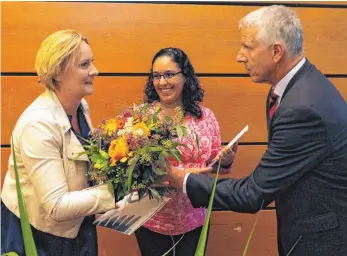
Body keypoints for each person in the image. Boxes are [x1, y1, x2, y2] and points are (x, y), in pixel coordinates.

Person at [165, 5, 347, 256]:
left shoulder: (302, 107)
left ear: (276, 52)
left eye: (248, 47)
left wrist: (180, 178)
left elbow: (253, 194)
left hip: (322, 242)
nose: (240, 56)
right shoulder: (293, 88)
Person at [1, 30, 116, 256]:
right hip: (38, 233)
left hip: (76, 223)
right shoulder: (38, 125)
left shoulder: (80, 107)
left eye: (92, 62)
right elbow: (55, 206)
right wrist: (117, 193)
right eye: (85, 64)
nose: (95, 70)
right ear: (59, 71)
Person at [134, 47, 237, 256]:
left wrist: (225, 161)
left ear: (185, 76)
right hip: (152, 220)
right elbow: (135, 172)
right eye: (156, 76)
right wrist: (183, 175)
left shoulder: (205, 117)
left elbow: (216, 168)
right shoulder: (141, 118)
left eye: (169, 74)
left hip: (195, 218)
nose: (162, 82)